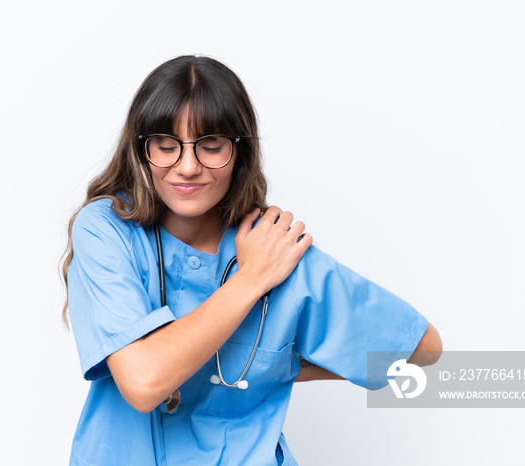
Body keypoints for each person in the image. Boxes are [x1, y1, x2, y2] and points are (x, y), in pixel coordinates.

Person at [61, 55, 442, 465]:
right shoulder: (106, 229)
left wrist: (277, 364)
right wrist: (251, 279)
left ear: (239, 152)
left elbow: (420, 349)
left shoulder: (276, 248)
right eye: (166, 146)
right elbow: (143, 381)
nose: (187, 167)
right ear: (142, 148)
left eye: (211, 147)